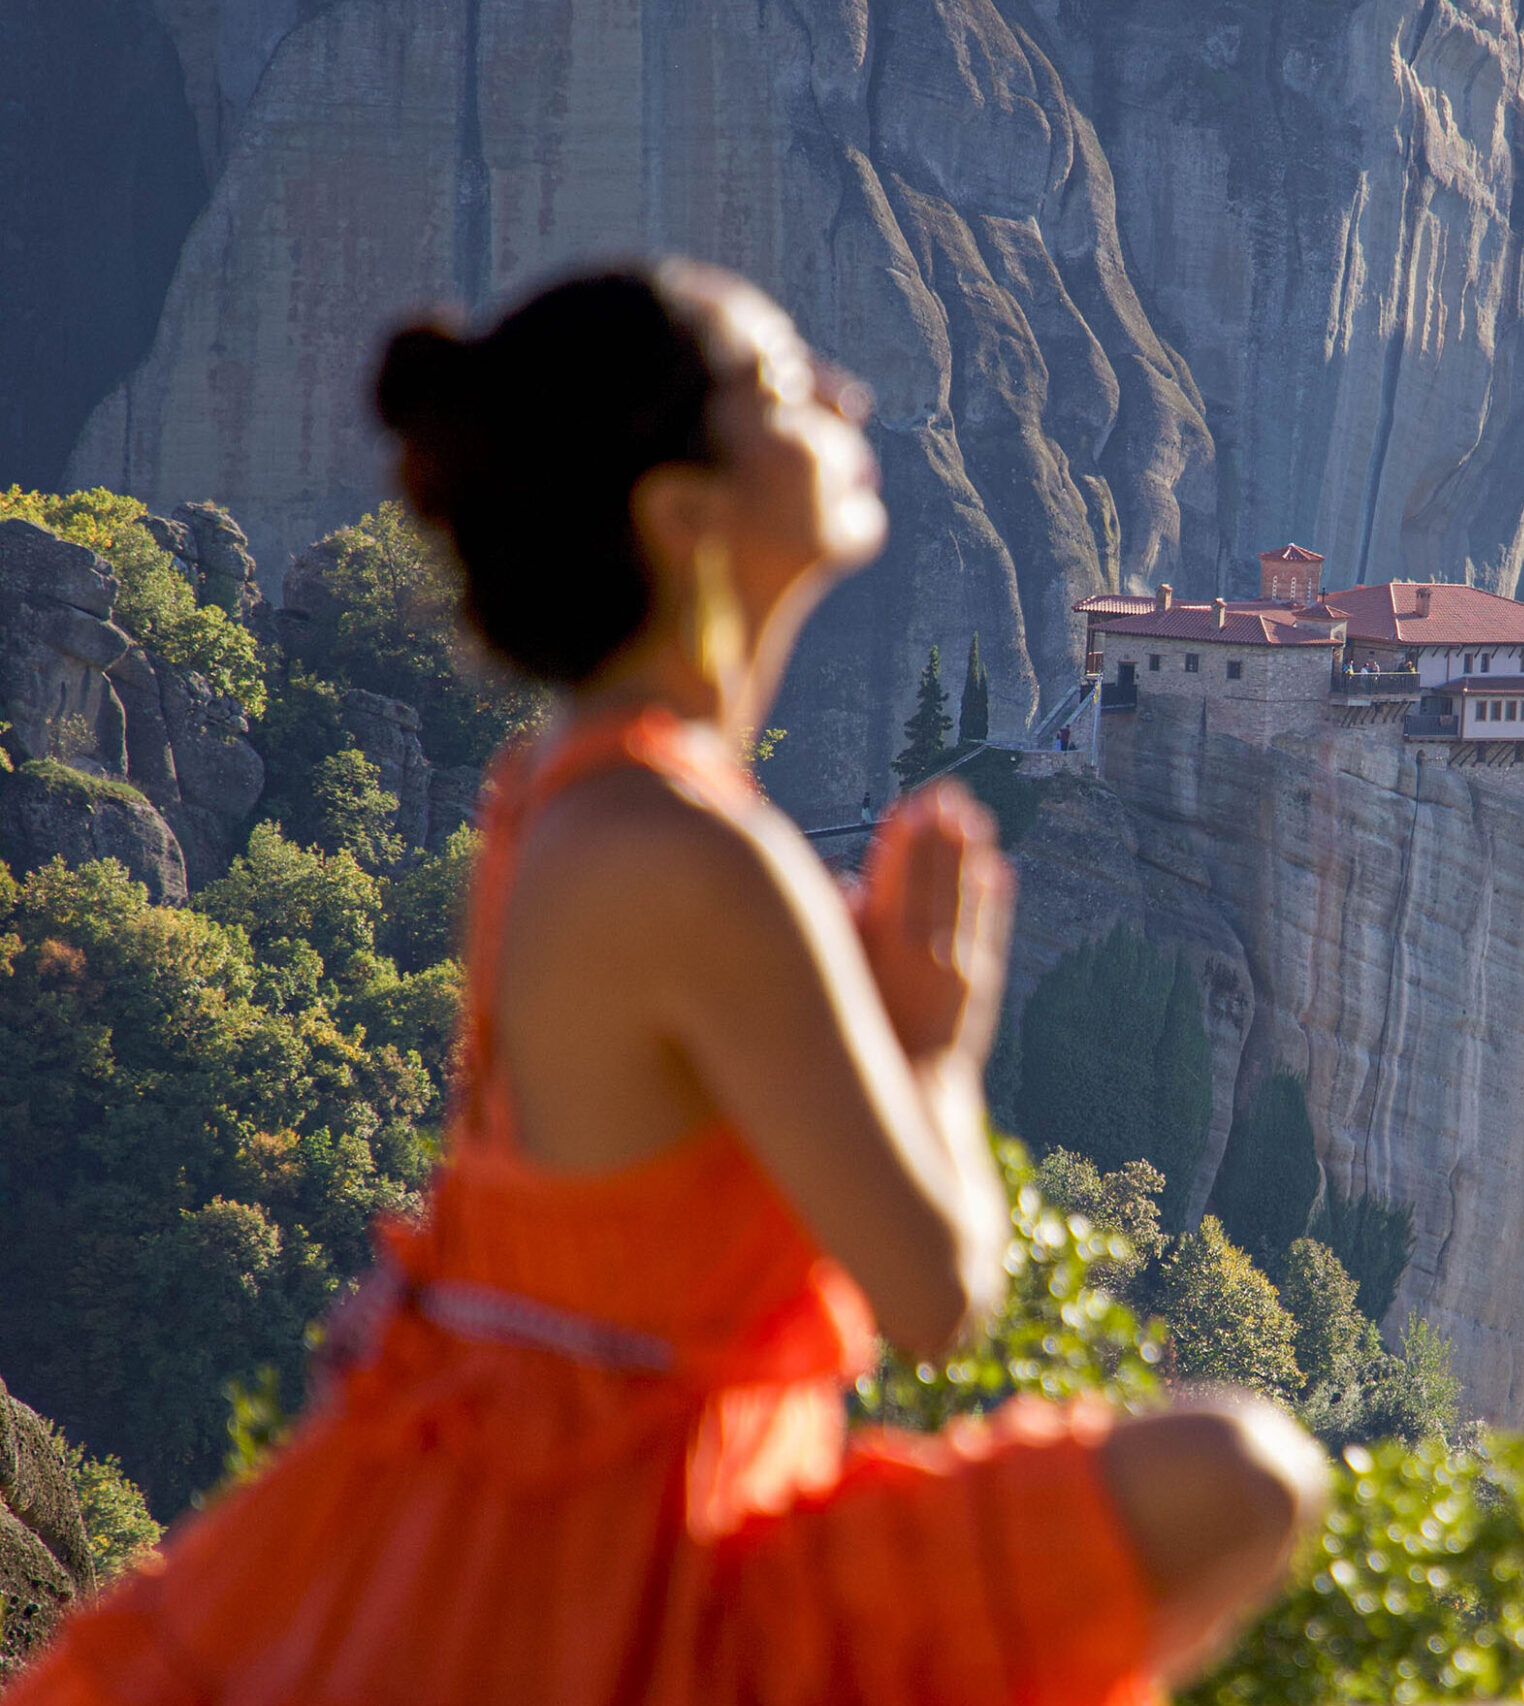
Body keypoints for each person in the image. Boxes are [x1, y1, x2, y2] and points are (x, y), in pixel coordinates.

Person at [7, 261, 1329, 1705]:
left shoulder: (571, 787)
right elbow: (941, 1290)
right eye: (777, 389)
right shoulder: (688, 851)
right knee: (1238, 1479)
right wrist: (933, 1044)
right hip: (618, 1557)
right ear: (683, 516)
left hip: (551, 1506)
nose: (845, 395)